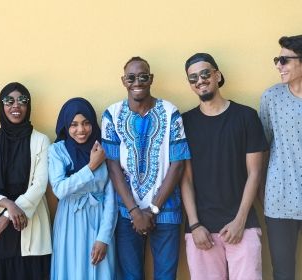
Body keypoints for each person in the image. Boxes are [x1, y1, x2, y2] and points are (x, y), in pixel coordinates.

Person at [101, 56, 191, 280]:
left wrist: (153, 209)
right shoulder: (111, 114)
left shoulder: (170, 112)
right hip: (126, 213)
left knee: (166, 276)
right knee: (130, 276)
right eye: (131, 77)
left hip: (166, 210)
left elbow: (178, 164)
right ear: (124, 81)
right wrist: (134, 211)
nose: (137, 82)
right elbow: (112, 166)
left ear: (151, 79)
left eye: (143, 77)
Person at [181, 53, 268, 280]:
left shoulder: (246, 117)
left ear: (217, 75)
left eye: (205, 73)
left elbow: (255, 173)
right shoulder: (185, 123)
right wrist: (194, 225)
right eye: (193, 78)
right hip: (201, 230)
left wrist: (240, 221)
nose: (200, 80)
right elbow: (186, 179)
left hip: (243, 224)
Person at [0, 82, 52, 280]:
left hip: (29, 221)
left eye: (22, 101)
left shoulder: (41, 140)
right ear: (1, 106)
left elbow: (40, 185)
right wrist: (8, 204)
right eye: (9, 101)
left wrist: (8, 216)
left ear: (28, 106)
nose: (15, 106)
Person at [48, 97, 117, 280]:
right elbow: (60, 190)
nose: (81, 130)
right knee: (71, 271)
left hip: (99, 219)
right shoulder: (57, 151)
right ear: (66, 126)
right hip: (69, 220)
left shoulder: (103, 149)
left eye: (86, 123)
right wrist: (90, 167)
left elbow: (111, 197)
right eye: (74, 124)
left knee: (100, 269)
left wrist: (104, 237)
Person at [260, 35, 302, 280]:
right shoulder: (271, 98)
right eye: (277, 59)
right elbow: (262, 148)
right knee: (283, 273)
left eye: (285, 60)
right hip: (280, 200)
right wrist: (262, 192)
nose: (278, 65)